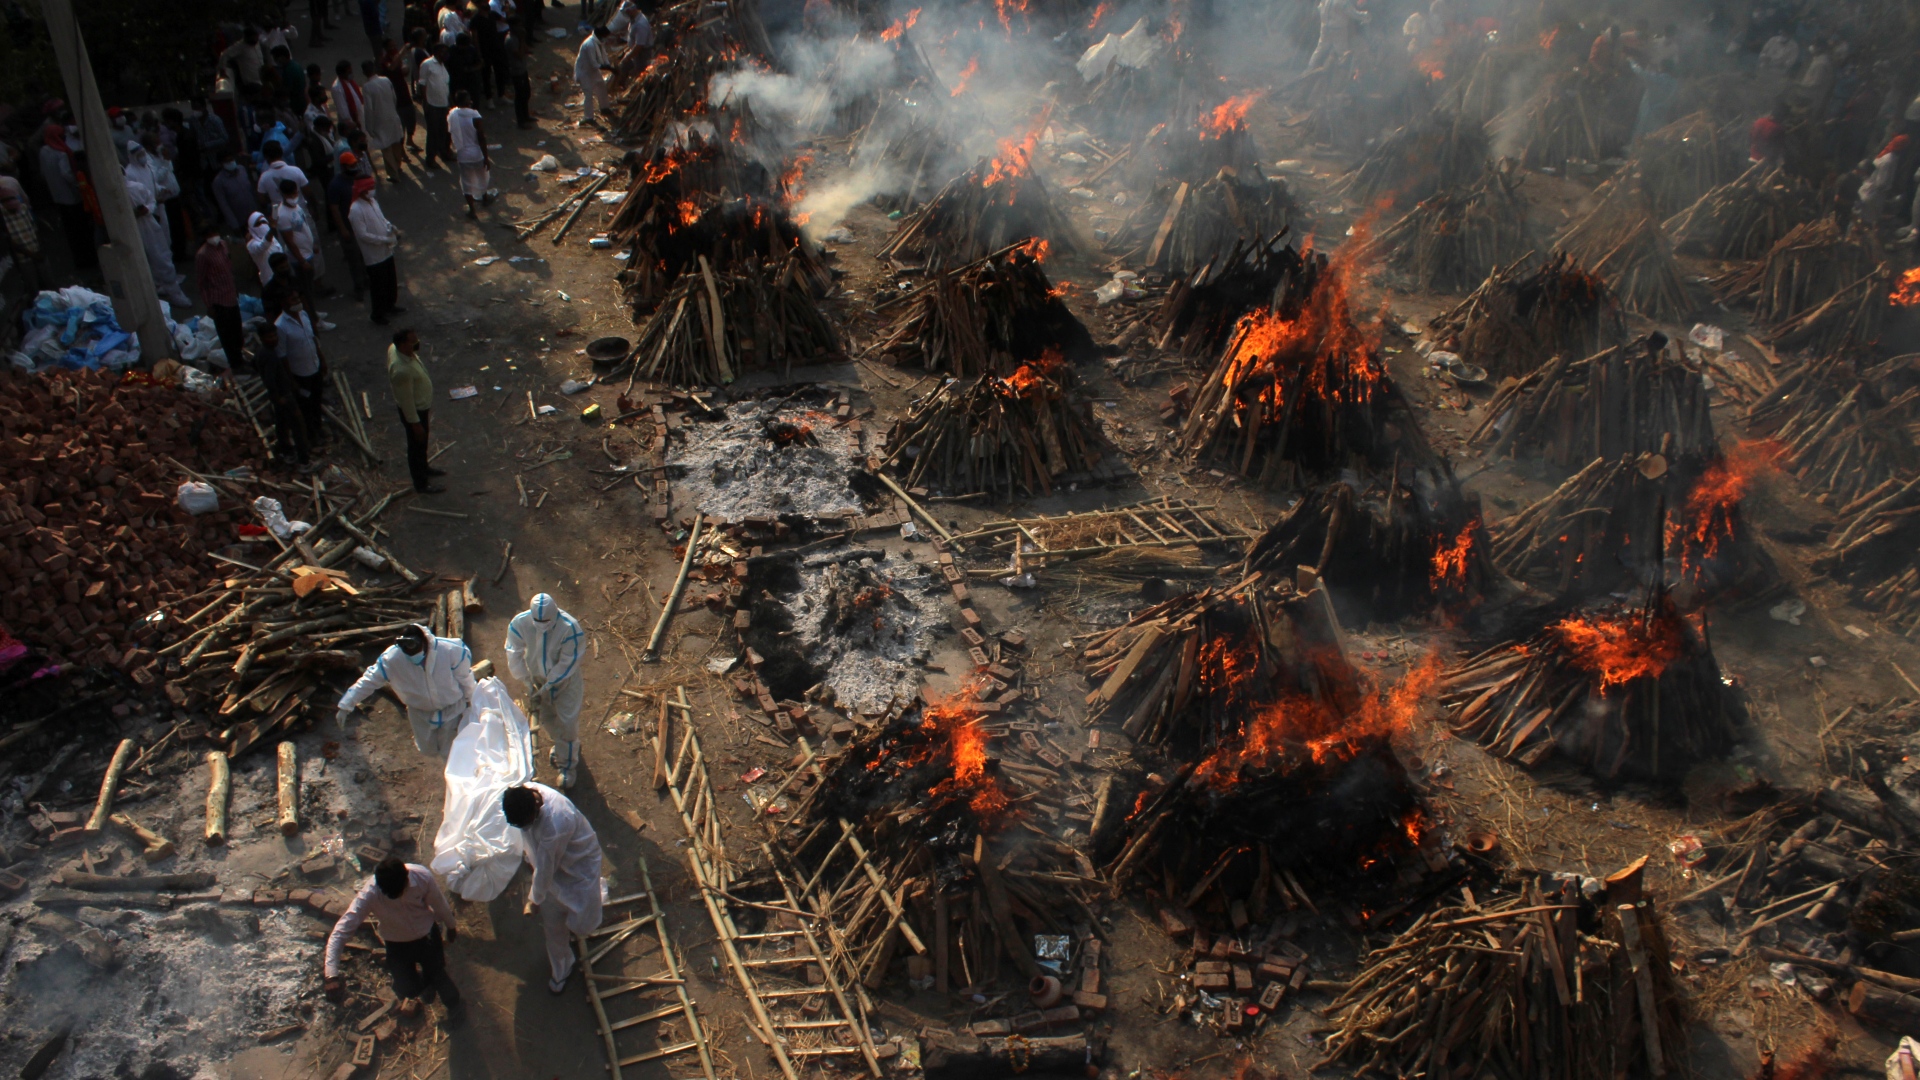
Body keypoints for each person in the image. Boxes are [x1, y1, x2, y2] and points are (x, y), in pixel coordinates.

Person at [323, 857, 462, 1018]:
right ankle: (424, 985)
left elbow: (439, 903)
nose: (393, 896)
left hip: (428, 937)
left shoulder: (422, 877)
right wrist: (331, 974)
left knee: (439, 977)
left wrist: (451, 925)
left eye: (397, 892)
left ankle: (455, 1007)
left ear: (406, 880)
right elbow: (341, 931)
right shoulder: (370, 894)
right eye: (388, 894)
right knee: (406, 988)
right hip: (397, 944)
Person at [501, 783, 603, 994]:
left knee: (584, 921)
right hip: (548, 871)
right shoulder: (526, 794)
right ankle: (562, 967)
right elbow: (541, 863)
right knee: (553, 925)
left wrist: (534, 899)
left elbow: (546, 869)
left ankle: (581, 922)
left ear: (534, 810)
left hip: (578, 867)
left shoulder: (556, 823)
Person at [337, 624, 476, 756]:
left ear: (425, 643)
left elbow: (465, 678)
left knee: (452, 752)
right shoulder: (392, 659)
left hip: (452, 710)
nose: (413, 656)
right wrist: (346, 704)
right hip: (420, 713)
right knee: (428, 750)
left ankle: (452, 776)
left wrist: (473, 700)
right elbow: (368, 681)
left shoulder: (451, 651)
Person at [505, 594, 585, 787]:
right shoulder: (519, 623)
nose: (542, 625)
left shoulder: (570, 628)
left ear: (555, 613)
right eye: (537, 621)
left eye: (546, 621)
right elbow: (513, 651)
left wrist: (549, 684)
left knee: (566, 721)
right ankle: (563, 748)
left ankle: (567, 766)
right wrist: (526, 680)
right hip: (537, 680)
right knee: (548, 719)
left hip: (565, 681)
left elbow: (568, 662)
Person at [125, 160, 192, 308]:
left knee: (161, 256)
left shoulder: (136, 187)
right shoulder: (119, 191)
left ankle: (174, 292)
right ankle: (157, 287)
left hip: (148, 223)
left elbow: (150, 199)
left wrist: (146, 209)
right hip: (130, 229)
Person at [272, 178, 331, 324]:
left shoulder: (296, 207)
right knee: (305, 291)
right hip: (300, 258)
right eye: (291, 194)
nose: (294, 196)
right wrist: (302, 260)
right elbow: (289, 241)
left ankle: (314, 313)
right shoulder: (283, 214)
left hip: (308, 252)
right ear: (284, 195)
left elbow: (304, 227)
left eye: (295, 193)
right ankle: (314, 320)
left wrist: (312, 246)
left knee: (309, 288)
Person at [255, 322, 313, 466]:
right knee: (297, 426)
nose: (274, 339)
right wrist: (279, 397)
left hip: (280, 396)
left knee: (281, 424)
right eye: (269, 337)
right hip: (283, 396)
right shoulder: (269, 356)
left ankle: (287, 452)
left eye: (275, 335)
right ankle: (304, 461)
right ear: (262, 338)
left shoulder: (264, 352)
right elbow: (270, 379)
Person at [388, 328, 440, 490]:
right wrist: (415, 423)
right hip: (415, 413)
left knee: (422, 443)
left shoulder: (395, 349)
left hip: (420, 408)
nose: (417, 345)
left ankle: (424, 468)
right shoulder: (401, 371)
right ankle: (421, 483)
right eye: (413, 343)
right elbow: (406, 401)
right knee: (416, 446)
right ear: (403, 345)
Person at [275, 293, 329, 443]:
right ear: (284, 303)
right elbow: (282, 355)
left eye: (298, 298)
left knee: (317, 400)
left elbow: (312, 340)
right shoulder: (280, 326)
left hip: (314, 366)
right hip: (300, 373)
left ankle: (318, 428)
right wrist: (291, 380)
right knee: (306, 406)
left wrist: (322, 359)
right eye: (293, 299)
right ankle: (311, 435)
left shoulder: (303, 314)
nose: (298, 301)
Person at [40, 122, 94, 271]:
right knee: (80, 230)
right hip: (70, 197)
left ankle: (79, 260)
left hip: (57, 197)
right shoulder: (62, 153)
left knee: (70, 231)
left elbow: (43, 174)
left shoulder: (43, 151)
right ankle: (87, 261)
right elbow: (67, 174)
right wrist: (78, 185)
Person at [352, 178, 403, 322]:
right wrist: (384, 240)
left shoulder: (372, 201)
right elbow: (363, 235)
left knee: (390, 280)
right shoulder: (355, 210)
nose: (373, 190)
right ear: (362, 190)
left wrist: (390, 226)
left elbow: (381, 219)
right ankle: (378, 313)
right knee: (378, 285)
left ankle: (390, 305)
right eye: (370, 187)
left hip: (386, 250)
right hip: (373, 254)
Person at [195, 235, 245, 370]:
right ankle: (236, 364)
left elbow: (228, 269)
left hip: (231, 296)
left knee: (237, 332)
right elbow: (202, 282)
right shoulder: (203, 255)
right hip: (219, 301)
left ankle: (240, 359)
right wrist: (209, 305)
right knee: (227, 336)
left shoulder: (222, 245)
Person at [326, 153, 369, 304]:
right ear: (343, 167)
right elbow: (334, 209)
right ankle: (359, 287)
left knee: (365, 255)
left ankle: (366, 280)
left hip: (362, 224)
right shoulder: (336, 185)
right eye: (351, 165)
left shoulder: (357, 178)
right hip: (348, 226)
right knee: (354, 258)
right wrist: (343, 229)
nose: (354, 167)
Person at [361, 60, 407, 181]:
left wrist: (369, 127)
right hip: (392, 115)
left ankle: (393, 173)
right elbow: (394, 98)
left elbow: (369, 109)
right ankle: (398, 166)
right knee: (396, 143)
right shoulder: (386, 80)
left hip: (380, 120)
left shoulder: (367, 87)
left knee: (386, 147)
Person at [0, 177, 46, 296]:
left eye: (12, 198)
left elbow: (34, 228)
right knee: (34, 290)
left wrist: (40, 249)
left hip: (38, 252)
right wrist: (31, 254)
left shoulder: (23, 209)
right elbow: (10, 242)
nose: (10, 202)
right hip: (23, 259)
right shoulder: (3, 218)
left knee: (49, 283)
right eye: (6, 200)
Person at [447, 92, 491, 216]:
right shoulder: (475, 116)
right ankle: (485, 198)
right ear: (468, 102)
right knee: (482, 177)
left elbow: (450, 134)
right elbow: (481, 137)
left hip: (463, 155)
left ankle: (472, 210)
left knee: (466, 183)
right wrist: (486, 158)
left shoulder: (453, 115)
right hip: (477, 154)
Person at [1306, 0, 1368, 75]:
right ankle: (1345, 73)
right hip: (1338, 29)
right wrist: (1365, 15)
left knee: (1320, 48)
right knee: (1342, 52)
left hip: (1325, 28)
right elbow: (1353, 13)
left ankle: (1309, 68)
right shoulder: (1343, 2)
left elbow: (1319, 8)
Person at [419, 44, 453, 169]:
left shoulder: (443, 66)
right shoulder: (427, 64)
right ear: (438, 52)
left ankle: (444, 153)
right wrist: (426, 102)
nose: (446, 54)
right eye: (444, 52)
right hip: (432, 105)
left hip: (443, 104)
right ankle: (430, 158)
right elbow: (422, 84)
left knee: (444, 131)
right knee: (433, 133)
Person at [574, 26, 612, 126]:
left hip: (592, 70)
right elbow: (594, 63)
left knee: (601, 86)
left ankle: (604, 108)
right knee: (588, 93)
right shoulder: (589, 44)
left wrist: (608, 65)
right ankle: (588, 117)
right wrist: (609, 68)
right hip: (584, 71)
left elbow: (604, 56)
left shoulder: (599, 42)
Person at [256, 141, 309, 208]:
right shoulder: (296, 171)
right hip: (300, 210)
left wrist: (274, 199)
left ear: (266, 157)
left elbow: (262, 200)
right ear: (281, 153)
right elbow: (308, 192)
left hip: (278, 214)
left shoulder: (264, 177)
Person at [505, 29, 533, 128]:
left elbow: (527, 50)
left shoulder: (517, 38)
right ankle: (521, 121)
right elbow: (520, 55)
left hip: (522, 70)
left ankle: (526, 116)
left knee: (526, 93)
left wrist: (522, 40)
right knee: (520, 96)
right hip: (516, 71)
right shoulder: (511, 40)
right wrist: (521, 41)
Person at [332, 60, 367, 132]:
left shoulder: (349, 81)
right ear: (342, 74)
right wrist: (352, 122)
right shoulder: (337, 88)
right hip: (352, 122)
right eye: (349, 72)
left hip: (360, 115)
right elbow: (343, 109)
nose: (351, 74)